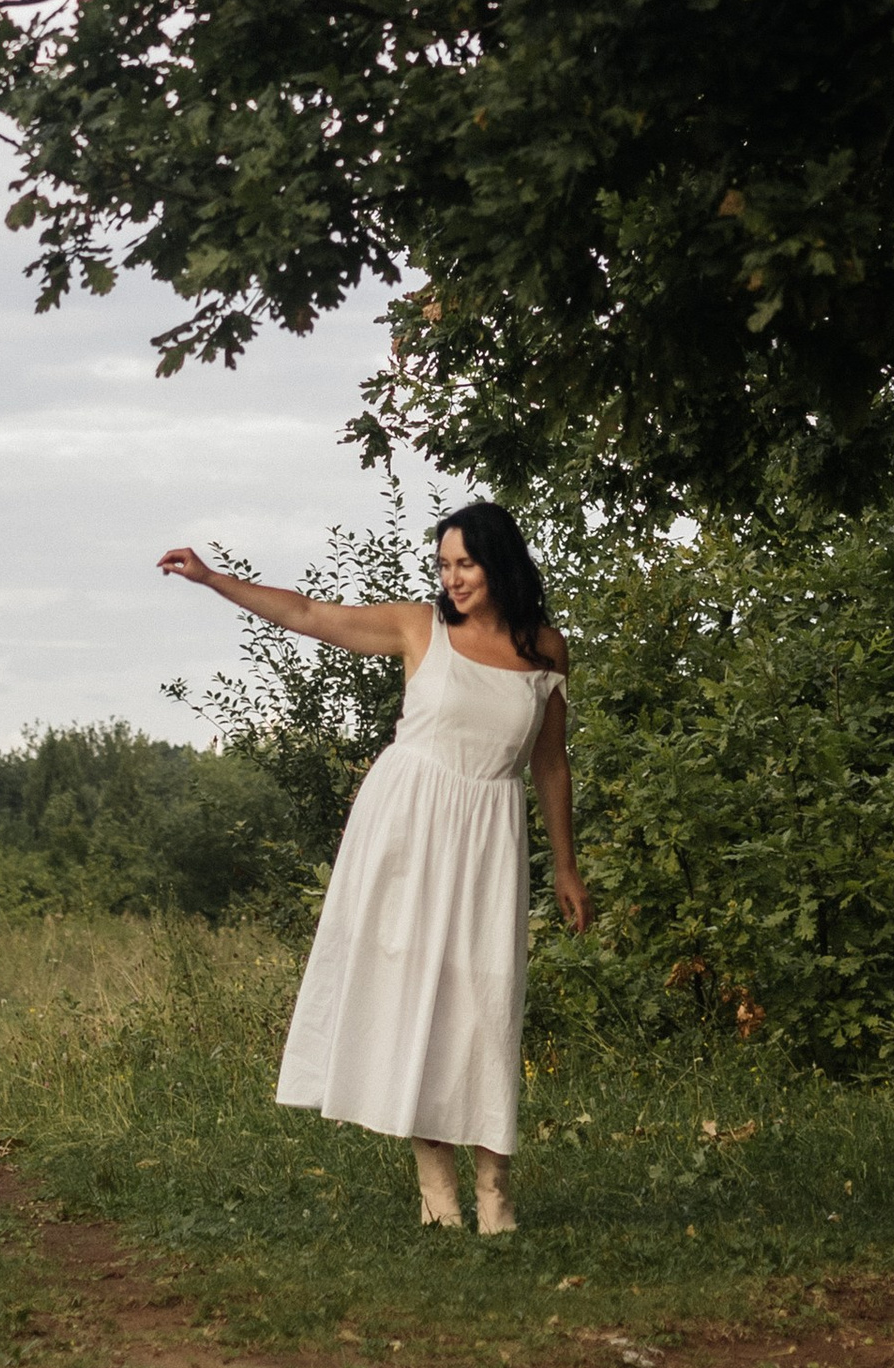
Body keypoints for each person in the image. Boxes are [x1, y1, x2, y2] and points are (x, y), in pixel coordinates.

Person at [156, 500, 587, 1234]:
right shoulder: (420, 628)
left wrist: (567, 866)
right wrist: (213, 579)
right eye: (444, 565)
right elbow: (306, 614)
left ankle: (496, 1192)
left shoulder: (545, 649)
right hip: (406, 828)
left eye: (466, 564)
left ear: (500, 564)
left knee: (486, 1001)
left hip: (489, 833)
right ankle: (438, 1194)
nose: (452, 579)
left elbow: (550, 763)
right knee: (417, 996)